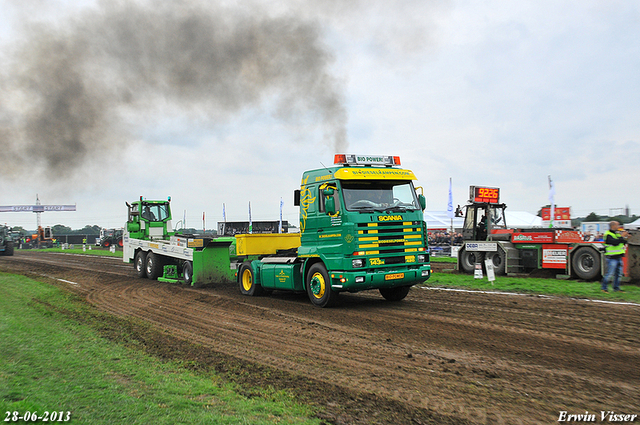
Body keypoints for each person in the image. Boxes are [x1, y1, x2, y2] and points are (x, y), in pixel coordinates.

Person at [600, 221, 629, 293]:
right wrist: (622, 237)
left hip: (618, 257)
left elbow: (623, 242)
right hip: (611, 257)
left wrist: (626, 237)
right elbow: (615, 242)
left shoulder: (616, 234)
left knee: (618, 274)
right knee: (609, 274)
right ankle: (604, 288)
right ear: (613, 226)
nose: (618, 227)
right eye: (617, 225)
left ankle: (616, 288)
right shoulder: (608, 234)